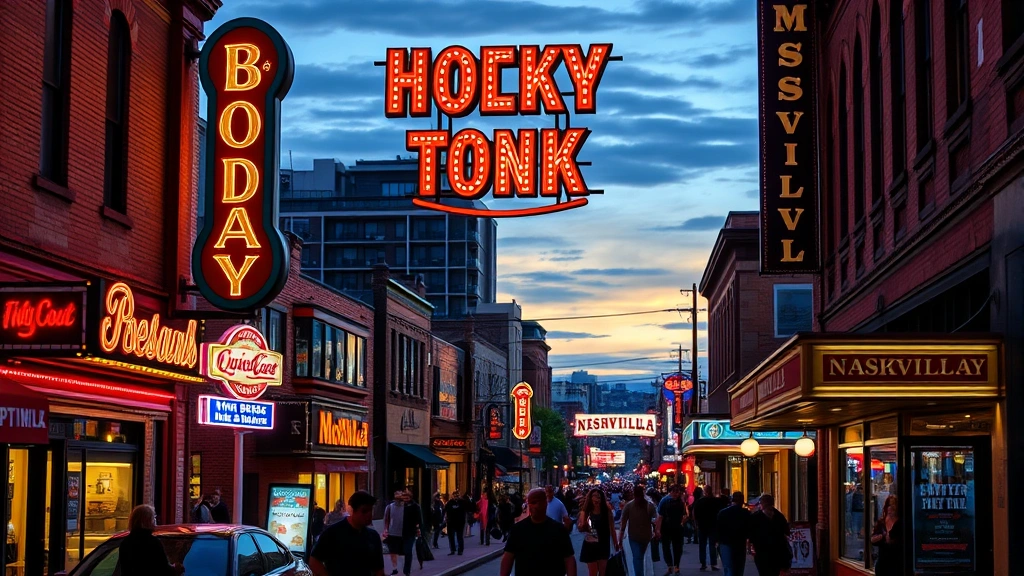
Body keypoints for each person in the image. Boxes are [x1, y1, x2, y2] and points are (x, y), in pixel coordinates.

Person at [500, 488, 577, 576]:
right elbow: (508, 557)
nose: (536, 506)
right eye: (533, 503)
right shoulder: (517, 529)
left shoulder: (558, 529)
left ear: (545, 503)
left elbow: (569, 558)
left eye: (539, 502)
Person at [309, 491, 385, 576]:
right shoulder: (333, 533)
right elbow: (314, 561)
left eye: (371, 510)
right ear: (353, 511)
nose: (369, 515)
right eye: (364, 511)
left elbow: (379, 569)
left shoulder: (373, 536)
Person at [116, 505, 184, 576]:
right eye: (153, 518)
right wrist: (175, 569)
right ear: (147, 521)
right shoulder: (152, 542)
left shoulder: (125, 542)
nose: (155, 520)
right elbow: (163, 569)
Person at [578, 488, 619, 575]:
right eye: (594, 496)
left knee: (602, 572)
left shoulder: (607, 512)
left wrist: (616, 543)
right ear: (590, 498)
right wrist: (583, 526)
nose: (597, 499)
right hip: (590, 544)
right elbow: (581, 527)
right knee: (592, 572)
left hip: (603, 544)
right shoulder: (586, 512)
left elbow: (612, 528)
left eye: (599, 497)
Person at [748, 494, 790, 576]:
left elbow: (751, 533)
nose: (759, 505)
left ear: (763, 504)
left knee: (763, 571)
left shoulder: (756, 516)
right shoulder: (779, 516)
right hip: (777, 550)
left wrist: (750, 546)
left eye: (760, 503)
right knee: (774, 572)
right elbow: (786, 531)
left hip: (762, 550)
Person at [619, 484, 656, 576]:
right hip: (645, 536)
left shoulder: (629, 506)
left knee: (638, 557)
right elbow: (655, 520)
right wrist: (656, 531)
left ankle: (639, 574)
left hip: (635, 536)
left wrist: (620, 538)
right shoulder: (649, 506)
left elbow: (623, 524)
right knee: (639, 557)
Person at [655, 484, 688, 574]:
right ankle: (670, 565)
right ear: (671, 492)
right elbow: (660, 517)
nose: (676, 494)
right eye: (675, 492)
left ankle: (676, 565)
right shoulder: (664, 501)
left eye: (678, 492)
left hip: (676, 527)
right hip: (666, 527)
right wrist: (658, 529)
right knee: (666, 547)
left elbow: (685, 514)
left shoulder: (681, 501)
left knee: (677, 547)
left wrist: (682, 522)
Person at [716, 492, 751, 576]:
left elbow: (718, 528)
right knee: (739, 567)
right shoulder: (746, 513)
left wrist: (717, 541)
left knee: (728, 567)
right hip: (740, 542)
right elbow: (749, 529)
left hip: (725, 542)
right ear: (742, 501)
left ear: (732, 500)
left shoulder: (723, 512)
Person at [692, 487, 725, 571]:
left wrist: (696, 524)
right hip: (713, 526)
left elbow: (694, 513)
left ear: (704, 492)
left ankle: (703, 564)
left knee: (702, 545)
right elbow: (720, 513)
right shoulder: (716, 501)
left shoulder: (700, 501)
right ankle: (713, 564)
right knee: (712, 545)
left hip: (702, 526)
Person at [870, 495, 902, 576]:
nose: (890, 508)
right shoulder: (881, 522)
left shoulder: (901, 523)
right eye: (889, 505)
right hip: (882, 565)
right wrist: (881, 536)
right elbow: (872, 540)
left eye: (893, 505)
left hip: (897, 565)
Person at [399, 489, 423, 575]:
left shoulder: (415, 506)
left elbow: (419, 519)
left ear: (410, 497)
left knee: (408, 551)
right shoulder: (400, 506)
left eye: (407, 498)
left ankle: (407, 570)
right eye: (404, 498)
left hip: (411, 531)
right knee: (402, 551)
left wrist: (418, 529)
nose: (405, 500)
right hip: (400, 532)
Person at [383, 490, 407, 575]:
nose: (399, 499)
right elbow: (386, 519)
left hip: (403, 533)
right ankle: (395, 568)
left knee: (403, 552)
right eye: (397, 497)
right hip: (392, 532)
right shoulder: (389, 507)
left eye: (400, 497)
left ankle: (404, 568)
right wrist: (385, 530)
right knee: (393, 552)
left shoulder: (406, 507)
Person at [445, 489, 467, 555]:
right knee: (451, 537)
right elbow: (446, 511)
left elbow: (465, 511)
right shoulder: (449, 503)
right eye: (454, 496)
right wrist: (447, 519)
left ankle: (460, 550)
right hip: (451, 522)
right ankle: (453, 550)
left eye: (457, 496)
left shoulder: (462, 502)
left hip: (460, 522)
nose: (456, 497)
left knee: (459, 536)